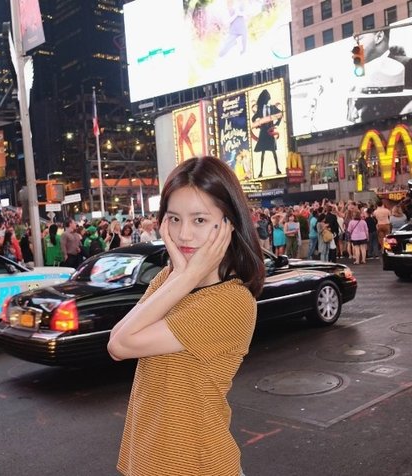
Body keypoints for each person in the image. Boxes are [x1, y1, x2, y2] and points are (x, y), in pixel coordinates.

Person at [108, 156, 265, 476]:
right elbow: (117, 338)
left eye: (199, 220)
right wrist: (182, 276)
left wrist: (187, 276)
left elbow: (121, 345)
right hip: (150, 460)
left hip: (197, 464)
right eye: (174, 219)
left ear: (230, 223)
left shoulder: (232, 301)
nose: (184, 234)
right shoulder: (170, 279)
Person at [251, 88, 283, 178]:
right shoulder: (260, 109)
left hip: (270, 131)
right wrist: (258, 124)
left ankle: (277, 169)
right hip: (263, 132)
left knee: (273, 150)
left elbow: (280, 114)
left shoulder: (272, 107)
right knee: (263, 152)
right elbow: (253, 119)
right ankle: (261, 172)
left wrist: (277, 124)